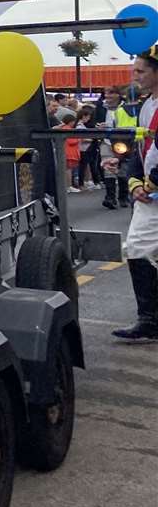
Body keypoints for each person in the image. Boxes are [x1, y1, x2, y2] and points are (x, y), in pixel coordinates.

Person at [114, 46, 158, 343]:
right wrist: (133, 181)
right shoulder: (146, 106)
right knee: (138, 249)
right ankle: (150, 320)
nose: (135, 76)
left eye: (141, 70)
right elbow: (141, 150)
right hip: (151, 198)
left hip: (154, 190)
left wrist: (153, 182)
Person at [105, 87, 140, 210]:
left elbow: (115, 126)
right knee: (136, 169)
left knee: (122, 168)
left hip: (121, 141)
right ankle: (128, 197)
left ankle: (119, 196)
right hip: (138, 140)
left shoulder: (119, 110)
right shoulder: (143, 108)